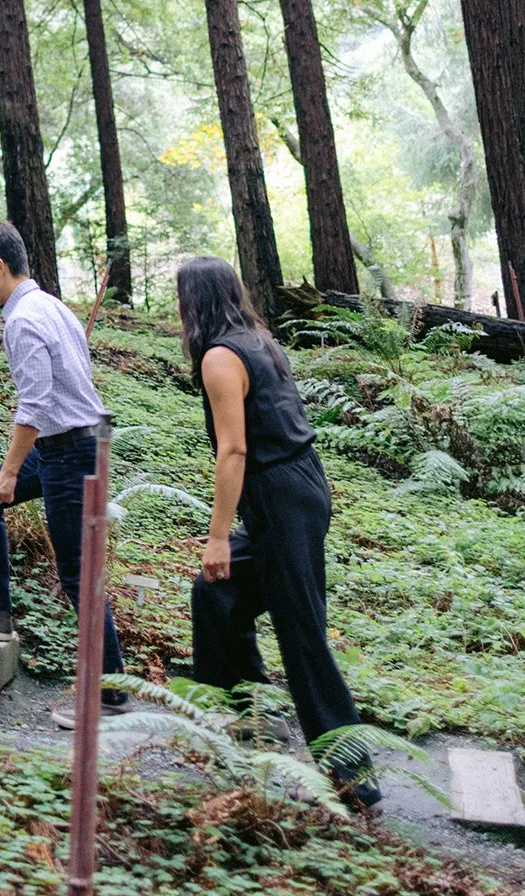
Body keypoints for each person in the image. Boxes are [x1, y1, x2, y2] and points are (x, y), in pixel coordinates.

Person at [178, 257, 380, 808]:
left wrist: (218, 536)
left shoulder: (221, 357)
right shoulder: (258, 339)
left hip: (282, 496)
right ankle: (254, 720)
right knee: (215, 594)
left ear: (192, 302)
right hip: (294, 488)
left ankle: (352, 775)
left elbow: (235, 449)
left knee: (301, 628)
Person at [0, 222, 126, 725]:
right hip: (71, 443)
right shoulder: (50, 306)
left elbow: (35, 405)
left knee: (78, 575)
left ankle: (109, 695)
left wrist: (11, 471)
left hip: (69, 452)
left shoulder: (21, 320)